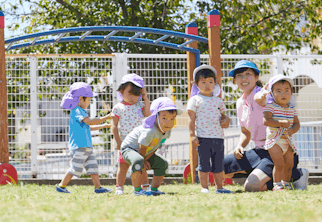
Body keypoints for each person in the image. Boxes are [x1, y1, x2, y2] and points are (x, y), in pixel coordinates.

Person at [224, 60, 309, 192]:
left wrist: (264, 94)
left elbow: (264, 99)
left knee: (252, 187)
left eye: (248, 74)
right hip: (258, 151)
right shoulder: (240, 102)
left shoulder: (266, 95)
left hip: (275, 149)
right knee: (220, 167)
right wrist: (239, 146)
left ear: (257, 77)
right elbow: (245, 132)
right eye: (239, 75)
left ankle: (296, 175)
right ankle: (261, 173)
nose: (244, 78)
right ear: (235, 80)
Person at [56, 82, 112, 194]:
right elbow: (90, 122)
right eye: (89, 100)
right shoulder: (77, 110)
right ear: (81, 99)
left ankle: (98, 187)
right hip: (79, 146)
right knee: (75, 168)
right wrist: (106, 117)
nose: (89, 102)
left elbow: (88, 127)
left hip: (86, 147)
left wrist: (104, 125)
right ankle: (61, 186)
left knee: (93, 168)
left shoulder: (80, 112)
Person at [186, 65, 232, 194]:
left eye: (211, 82)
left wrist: (226, 120)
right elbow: (191, 119)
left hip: (218, 137)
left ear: (215, 83)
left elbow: (224, 116)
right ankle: (204, 188)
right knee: (204, 164)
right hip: (202, 137)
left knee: (218, 164)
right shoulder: (195, 100)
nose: (208, 85)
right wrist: (192, 135)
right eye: (203, 82)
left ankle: (220, 187)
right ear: (196, 84)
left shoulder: (218, 101)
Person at [120, 97, 180, 196]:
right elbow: (142, 147)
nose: (168, 122)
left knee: (162, 164)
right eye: (164, 118)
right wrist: (144, 161)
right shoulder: (150, 131)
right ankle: (138, 190)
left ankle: (154, 189)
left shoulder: (167, 131)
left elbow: (156, 145)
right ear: (156, 117)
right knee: (138, 161)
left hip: (144, 152)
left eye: (172, 119)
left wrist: (147, 159)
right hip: (129, 149)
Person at [111, 74, 150, 195]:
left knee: (141, 165)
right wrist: (118, 141)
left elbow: (148, 114)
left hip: (139, 143)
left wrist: (145, 98)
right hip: (125, 143)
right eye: (130, 93)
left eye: (136, 94)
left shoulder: (141, 105)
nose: (133, 97)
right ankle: (119, 187)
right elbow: (114, 126)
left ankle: (145, 187)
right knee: (123, 166)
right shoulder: (118, 107)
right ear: (121, 91)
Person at [261, 75, 300, 191]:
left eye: (286, 90)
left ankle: (286, 184)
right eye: (278, 91)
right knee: (279, 164)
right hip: (274, 140)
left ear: (291, 92)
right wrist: (281, 123)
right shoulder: (271, 106)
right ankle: (277, 185)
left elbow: (297, 123)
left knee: (289, 164)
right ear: (272, 93)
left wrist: (293, 130)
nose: (283, 94)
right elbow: (266, 121)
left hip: (287, 140)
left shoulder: (292, 108)